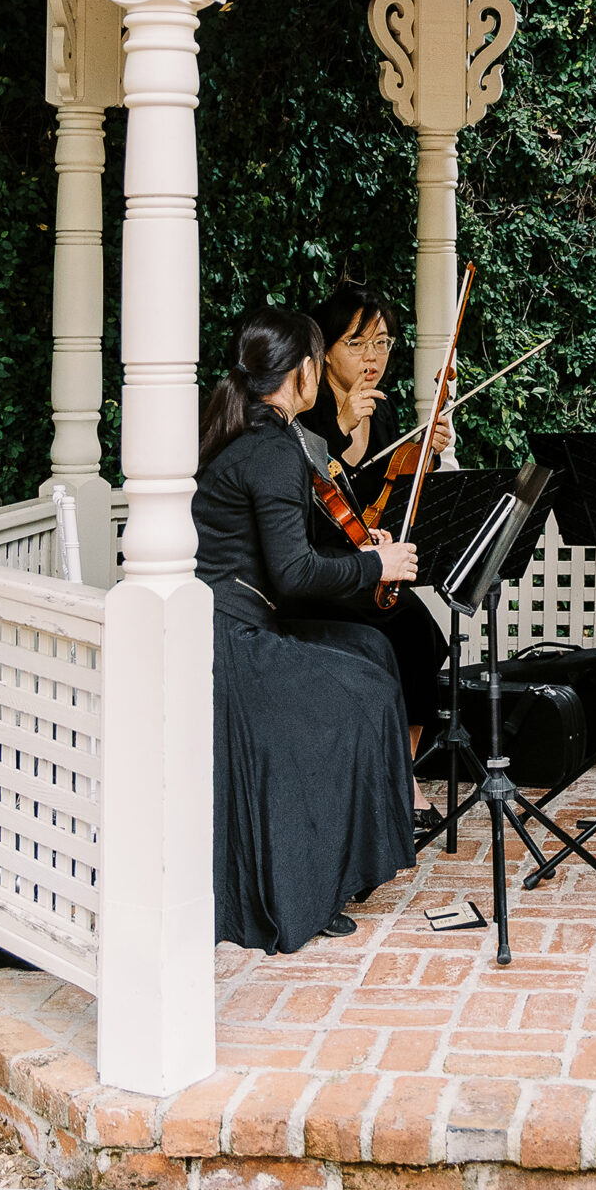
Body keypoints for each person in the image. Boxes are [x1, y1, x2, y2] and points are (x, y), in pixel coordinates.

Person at [194, 309, 418, 952]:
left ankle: (344, 867)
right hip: (228, 641)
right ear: (304, 371)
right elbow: (292, 573)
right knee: (362, 693)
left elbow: (281, 549)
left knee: (372, 647)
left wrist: (359, 549)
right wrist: (376, 562)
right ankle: (309, 880)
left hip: (242, 618)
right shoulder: (270, 449)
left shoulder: (261, 434)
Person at [303, 277, 451, 834]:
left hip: (371, 565)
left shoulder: (386, 414)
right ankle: (395, 786)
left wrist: (425, 458)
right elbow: (311, 495)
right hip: (321, 569)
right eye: (357, 343)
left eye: (383, 342)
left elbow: (389, 499)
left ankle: (400, 774)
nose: (373, 357)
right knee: (392, 640)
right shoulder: (307, 411)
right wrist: (342, 423)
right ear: (325, 350)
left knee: (423, 641)